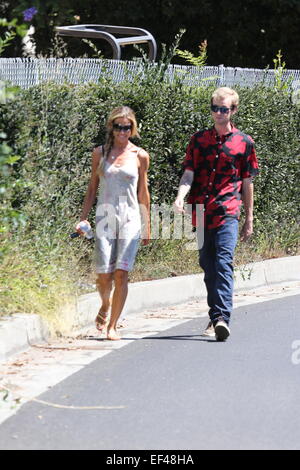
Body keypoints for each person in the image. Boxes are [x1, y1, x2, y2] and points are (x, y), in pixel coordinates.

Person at [174, 87, 259, 341]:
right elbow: (188, 173)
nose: (219, 113)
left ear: (233, 110)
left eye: (224, 109)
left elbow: (247, 182)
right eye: (215, 108)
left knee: (223, 262)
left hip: (228, 212)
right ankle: (215, 317)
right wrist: (180, 196)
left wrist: (249, 218)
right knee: (207, 266)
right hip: (200, 211)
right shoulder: (198, 140)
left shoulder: (244, 143)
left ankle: (222, 318)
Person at [77, 106, 150, 340]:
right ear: (111, 127)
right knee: (103, 275)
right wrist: (83, 218)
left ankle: (113, 325)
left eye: (127, 127)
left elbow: (143, 192)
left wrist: (147, 224)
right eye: (118, 126)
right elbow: (91, 189)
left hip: (129, 218)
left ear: (132, 128)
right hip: (104, 218)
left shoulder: (140, 156)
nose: (122, 131)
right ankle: (105, 303)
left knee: (121, 273)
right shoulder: (99, 152)